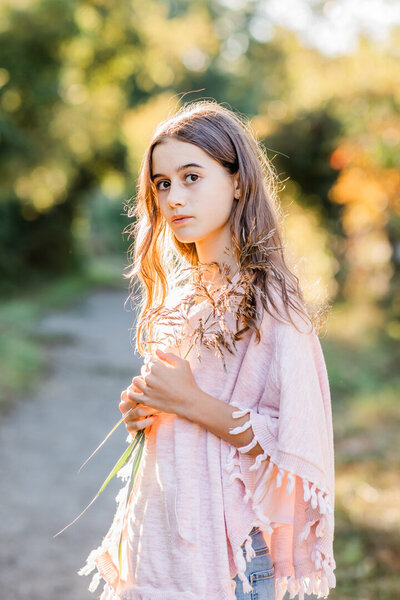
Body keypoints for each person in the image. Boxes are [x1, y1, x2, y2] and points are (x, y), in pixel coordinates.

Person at [78, 100, 336, 600]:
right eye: (162, 183)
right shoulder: (183, 296)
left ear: (238, 181)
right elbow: (185, 406)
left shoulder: (273, 304)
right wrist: (148, 408)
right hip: (160, 548)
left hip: (229, 564)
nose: (174, 197)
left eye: (192, 177)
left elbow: (294, 443)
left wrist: (188, 401)